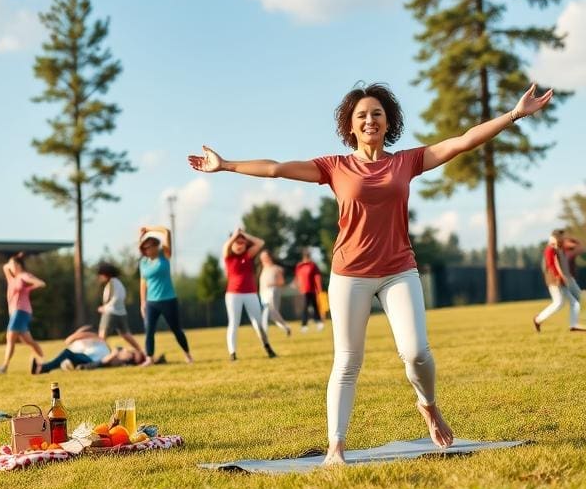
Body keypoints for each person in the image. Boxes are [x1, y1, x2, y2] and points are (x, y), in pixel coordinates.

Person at [188, 81, 553, 465]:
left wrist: (514, 114)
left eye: (377, 113)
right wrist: (226, 165)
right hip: (350, 274)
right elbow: (277, 169)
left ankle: (428, 405)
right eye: (361, 115)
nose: (369, 120)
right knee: (347, 360)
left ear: (388, 121)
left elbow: (461, 142)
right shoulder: (335, 167)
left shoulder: (406, 162)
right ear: (350, 126)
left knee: (417, 353)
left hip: (399, 270)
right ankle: (336, 446)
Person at [139, 226, 192, 365]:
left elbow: (167, 232)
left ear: (156, 246)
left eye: (150, 247)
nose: (148, 250)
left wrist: (149, 229)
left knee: (176, 330)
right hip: (151, 302)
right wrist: (142, 302)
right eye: (145, 248)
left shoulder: (165, 255)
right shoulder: (143, 263)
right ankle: (149, 358)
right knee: (149, 330)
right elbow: (143, 283)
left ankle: (188, 354)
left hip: (168, 300)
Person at [222, 228, 277, 360]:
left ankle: (267, 347)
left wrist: (244, 234)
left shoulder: (247, 255)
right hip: (233, 295)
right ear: (232, 243)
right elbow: (226, 246)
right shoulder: (228, 257)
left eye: (243, 243)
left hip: (250, 293)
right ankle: (232, 353)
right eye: (237, 242)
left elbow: (260, 243)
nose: (240, 245)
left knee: (257, 323)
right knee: (234, 323)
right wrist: (235, 235)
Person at [0, 253, 46, 374]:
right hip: (16, 313)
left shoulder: (24, 276)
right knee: (28, 341)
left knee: (10, 337)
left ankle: (4, 367)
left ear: (18, 265)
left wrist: (28, 289)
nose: (11, 266)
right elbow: (5, 267)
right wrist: (15, 258)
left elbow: (40, 283)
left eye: (13, 264)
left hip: (21, 311)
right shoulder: (11, 278)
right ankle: (44, 361)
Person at [534, 230, 583, 332]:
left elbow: (576, 247)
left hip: (561, 280)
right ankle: (538, 319)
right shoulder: (550, 249)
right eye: (561, 237)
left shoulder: (558, 248)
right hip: (554, 280)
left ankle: (573, 325)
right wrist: (558, 276)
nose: (563, 239)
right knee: (558, 302)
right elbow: (551, 264)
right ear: (556, 238)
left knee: (574, 303)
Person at [95, 262, 144, 355]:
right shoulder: (116, 283)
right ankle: (141, 351)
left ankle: (101, 355)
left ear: (105, 274)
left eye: (100, 275)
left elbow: (117, 298)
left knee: (101, 337)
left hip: (111, 313)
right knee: (126, 335)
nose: (99, 278)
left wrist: (105, 307)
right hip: (121, 313)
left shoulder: (113, 283)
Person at [30, 326, 111, 374]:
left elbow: (70, 340)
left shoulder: (99, 340)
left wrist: (75, 336)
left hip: (92, 361)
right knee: (67, 355)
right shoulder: (90, 345)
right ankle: (41, 366)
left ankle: (43, 368)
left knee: (67, 353)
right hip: (89, 360)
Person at [258, 250, 292, 337]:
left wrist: (272, 284)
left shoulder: (276, 269)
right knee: (273, 315)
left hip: (273, 291)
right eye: (262, 257)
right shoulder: (262, 269)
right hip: (263, 293)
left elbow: (282, 282)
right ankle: (287, 328)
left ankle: (263, 334)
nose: (264, 259)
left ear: (270, 257)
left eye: (265, 256)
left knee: (269, 311)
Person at [294, 248, 325, 332]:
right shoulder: (299, 266)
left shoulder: (312, 265)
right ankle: (304, 325)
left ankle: (319, 322)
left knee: (315, 306)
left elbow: (317, 277)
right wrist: (298, 287)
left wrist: (319, 288)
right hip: (304, 290)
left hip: (312, 289)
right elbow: (297, 278)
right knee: (305, 307)